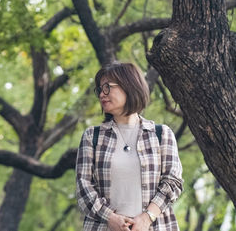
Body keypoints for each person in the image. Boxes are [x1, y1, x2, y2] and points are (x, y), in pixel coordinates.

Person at [76, 62, 183, 231]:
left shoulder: (161, 134)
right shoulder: (92, 136)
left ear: (129, 86)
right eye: (99, 89)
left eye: (107, 87)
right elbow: (83, 187)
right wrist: (110, 218)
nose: (102, 94)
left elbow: (173, 182)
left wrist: (147, 218)